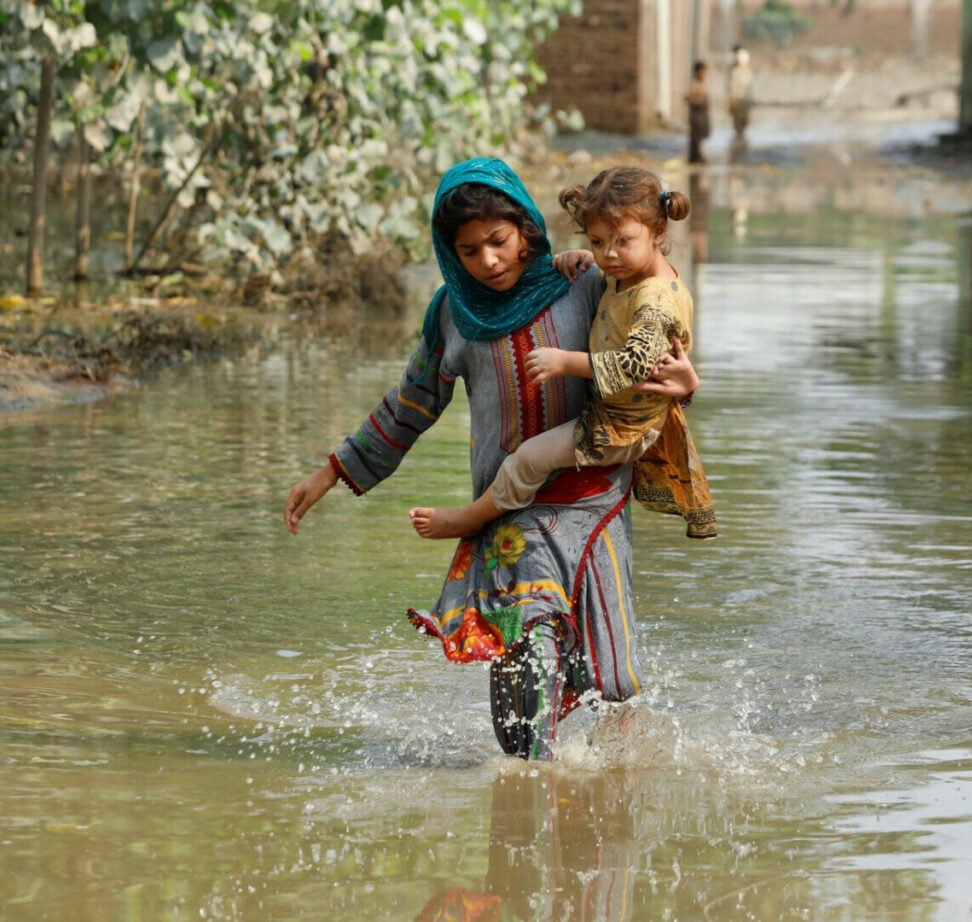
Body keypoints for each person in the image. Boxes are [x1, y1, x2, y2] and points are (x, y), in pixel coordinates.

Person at [282, 158, 699, 761]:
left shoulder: (585, 284)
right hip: (509, 515)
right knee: (527, 682)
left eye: (499, 242)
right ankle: (529, 808)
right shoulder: (453, 314)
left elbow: (654, 349)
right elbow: (411, 403)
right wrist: (332, 471)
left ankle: (614, 815)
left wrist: (687, 383)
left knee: (615, 687)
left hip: (597, 506)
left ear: (528, 230)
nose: (490, 262)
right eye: (469, 251)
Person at [409, 166, 716, 543]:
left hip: (619, 428)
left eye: (622, 241)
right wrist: (585, 256)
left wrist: (565, 361)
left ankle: (472, 518)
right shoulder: (615, 276)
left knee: (527, 459)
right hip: (616, 418)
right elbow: (410, 403)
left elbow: (635, 365)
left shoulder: (656, 300)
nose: (609, 254)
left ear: (658, 233)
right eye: (599, 241)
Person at [728, 45, 755, 147]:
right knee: (737, 120)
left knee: (745, 119)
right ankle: (738, 136)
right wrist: (732, 100)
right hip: (738, 100)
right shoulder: (735, 72)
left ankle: (742, 136)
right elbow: (733, 87)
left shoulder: (749, 72)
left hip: (746, 101)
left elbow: (750, 87)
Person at [687, 60, 711, 164]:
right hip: (697, 114)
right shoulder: (695, 84)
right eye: (702, 71)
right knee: (695, 137)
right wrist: (697, 100)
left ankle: (699, 156)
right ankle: (695, 157)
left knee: (701, 136)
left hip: (703, 114)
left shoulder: (703, 84)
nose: (704, 74)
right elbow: (689, 98)